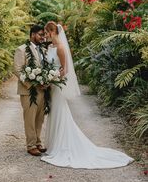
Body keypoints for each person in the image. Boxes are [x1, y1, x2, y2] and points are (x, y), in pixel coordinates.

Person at [41, 21, 134, 169]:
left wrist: (52, 79)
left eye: (46, 33)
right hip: (51, 87)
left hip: (56, 87)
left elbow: (65, 70)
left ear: (53, 32)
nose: (45, 36)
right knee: (54, 113)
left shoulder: (60, 48)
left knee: (60, 112)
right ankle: (53, 145)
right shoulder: (50, 47)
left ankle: (62, 146)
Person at [14, 24, 47, 156]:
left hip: (43, 90)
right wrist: (32, 84)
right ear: (32, 34)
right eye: (40, 34)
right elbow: (17, 69)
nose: (43, 37)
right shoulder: (21, 50)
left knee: (39, 118)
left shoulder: (43, 50)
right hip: (28, 91)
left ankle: (38, 142)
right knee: (30, 118)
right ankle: (31, 145)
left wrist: (46, 82)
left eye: (43, 35)